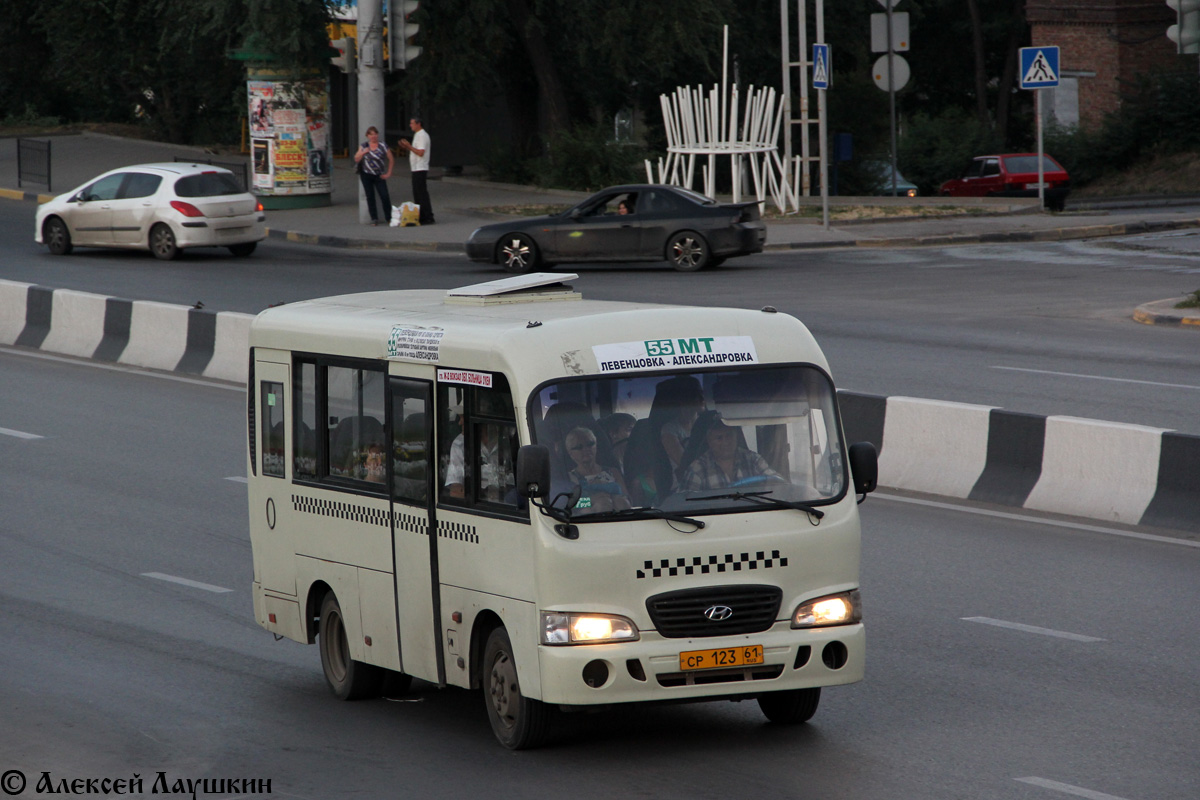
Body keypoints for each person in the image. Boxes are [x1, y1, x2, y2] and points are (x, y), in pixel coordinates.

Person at [679, 412, 780, 492]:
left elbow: (777, 483)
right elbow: (687, 504)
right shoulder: (697, 469)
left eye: (729, 436)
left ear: (736, 436)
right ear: (709, 441)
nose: (725, 442)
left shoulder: (753, 460)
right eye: (719, 438)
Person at [564, 427, 631, 514]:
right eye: (579, 447)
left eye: (590, 444)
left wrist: (613, 498)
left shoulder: (613, 472)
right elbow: (571, 505)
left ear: (596, 446)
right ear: (571, 453)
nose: (586, 449)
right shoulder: (570, 477)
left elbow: (628, 498)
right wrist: (591, 500)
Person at [354, 126, 394, 226]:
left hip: (379, 174)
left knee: (384, 196)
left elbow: (391, 159)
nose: (373, 136)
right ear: (367, 136)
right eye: (371, 134)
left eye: (375, 134)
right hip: (366, 174)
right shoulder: (364, 146)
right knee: (370, 196)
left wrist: (388, 173)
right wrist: (363, 152)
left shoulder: (383, 145)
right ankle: (374, 218)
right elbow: (356, 159)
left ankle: (389, 217)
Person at [398, 117, 435, 225]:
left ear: (418, 124)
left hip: (420, 167)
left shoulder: (422, 135)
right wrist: (406, 147)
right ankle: (421, 215)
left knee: (421, 192)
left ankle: (428, 216)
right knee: (417, 193)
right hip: (415, 168)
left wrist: (409, 146)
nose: (410, 125)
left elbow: (420, 152)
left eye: (412, 123)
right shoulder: (417, 135)